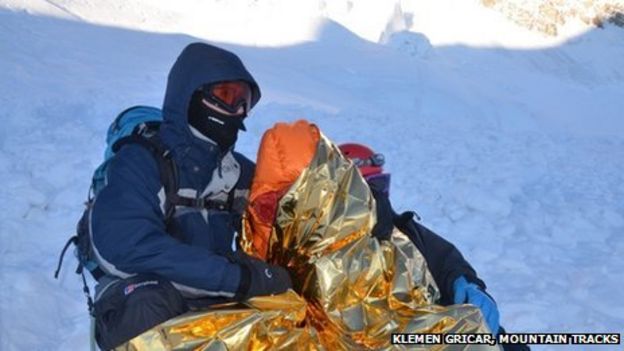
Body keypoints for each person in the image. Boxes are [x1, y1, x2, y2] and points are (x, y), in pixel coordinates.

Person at [88, 42, 292, 350]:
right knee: (149, 302)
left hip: (207, 298)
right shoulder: (141, 162)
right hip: (135, 303)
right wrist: (238, 279)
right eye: (225, 96)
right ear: (191, 94)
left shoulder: (234, 171)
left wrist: (371, 208)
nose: (236, 110)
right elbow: (127, 247)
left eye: (243, 102)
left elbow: (296, 200)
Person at [339, 143, 530, 351]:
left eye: (381, 185)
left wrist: (465, 284)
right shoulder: (324, 249)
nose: (378, 197)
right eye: (368, 189)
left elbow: (445, 261)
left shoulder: (403, 231)